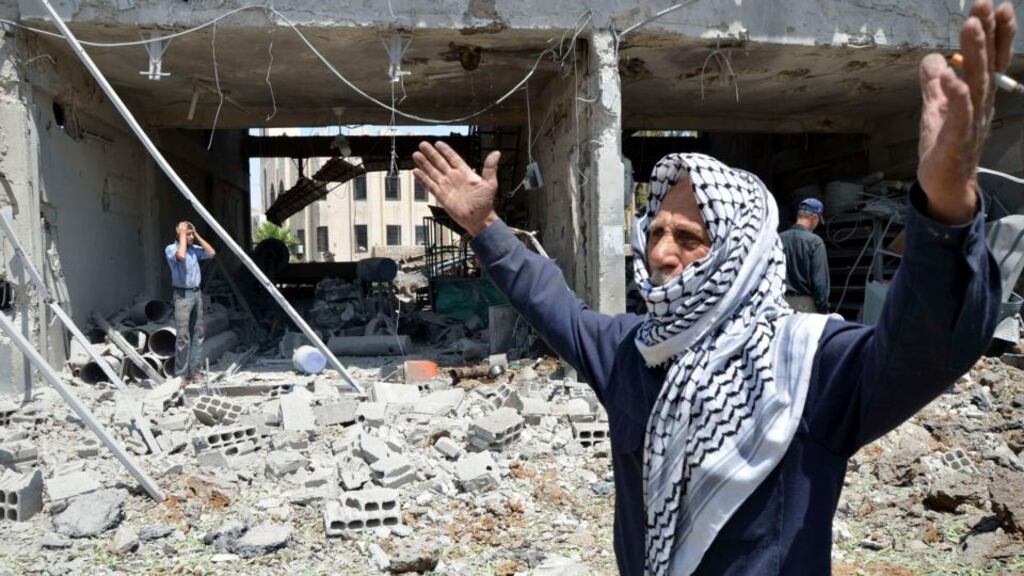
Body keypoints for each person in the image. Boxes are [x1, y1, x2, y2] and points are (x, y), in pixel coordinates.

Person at [411, 2, 1013, 574]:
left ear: (738, 252)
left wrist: (946, 206)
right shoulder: (633, 350)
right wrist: (484, 227)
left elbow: (927, 346)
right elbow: (552, 304)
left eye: (689, 237)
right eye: (656, 231)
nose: (662, 252)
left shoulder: (807, 364)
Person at [164, 221, 216, 383]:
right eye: (188, 234)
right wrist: (182, 235)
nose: (191, 237)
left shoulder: (194, 250)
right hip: (182, 295)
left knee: (198, 334)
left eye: (192, 234)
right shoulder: (171, 249)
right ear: (179, 234)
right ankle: (181, 374)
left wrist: (196, 234)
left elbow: (211, 252)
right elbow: (180, 256)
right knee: (183, 336)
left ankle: (195, 371)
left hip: (196, 294)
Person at [780, 197, 830, 313]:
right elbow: (820, 284)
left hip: (781, 306)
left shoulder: (778, 239)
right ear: (814, 218)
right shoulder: (815, 242)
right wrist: (823, 311)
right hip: (806, 309)